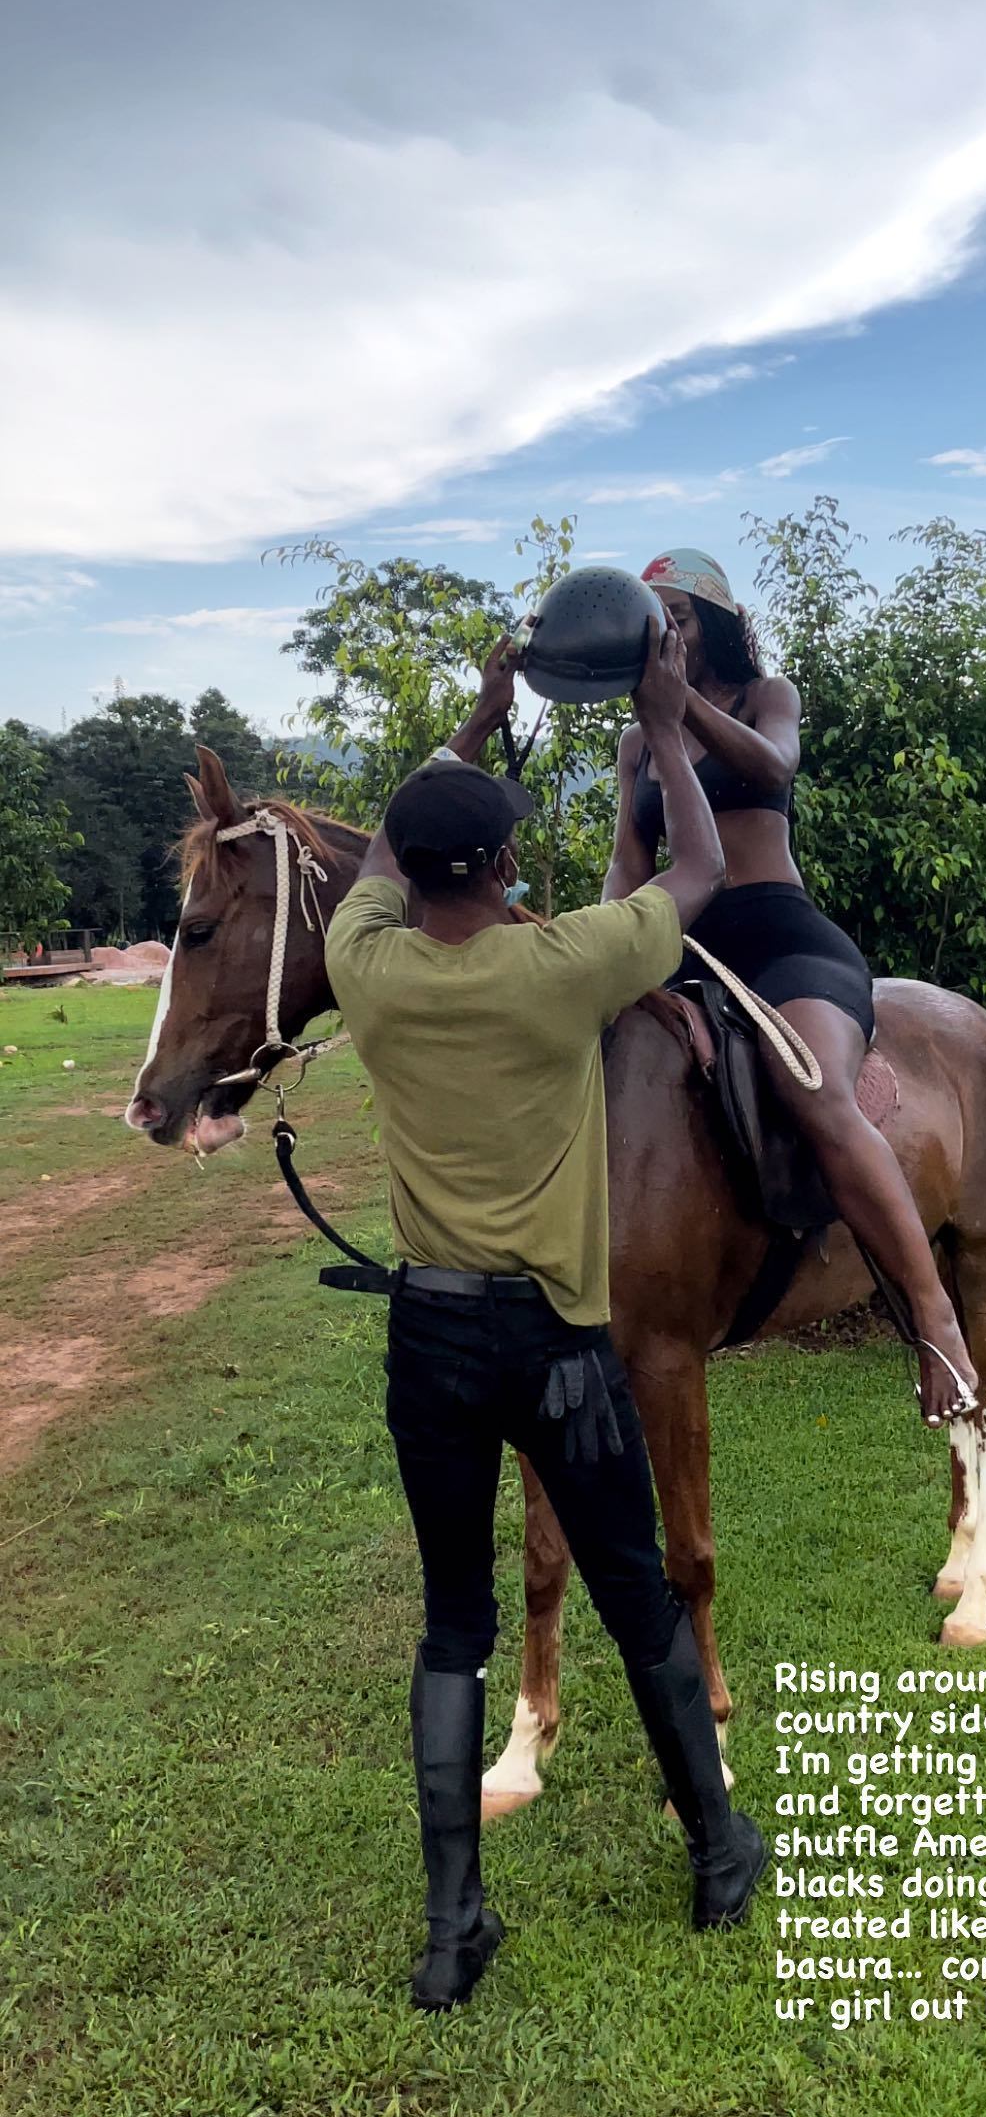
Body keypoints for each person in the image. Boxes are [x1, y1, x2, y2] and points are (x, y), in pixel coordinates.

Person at [324, 620, 764, 2014]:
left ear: (415, 872)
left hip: (429, 1344)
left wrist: (472, 720)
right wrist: (667, 722)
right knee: (637, 1593)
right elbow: (699, 873)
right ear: (506, 865)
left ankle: (452, 1928)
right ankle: (718, 1851)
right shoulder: (566, 963)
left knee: (453, 1621)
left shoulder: (367, 964)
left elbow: (381, 858)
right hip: (562, 1348)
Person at [604, 548, 979, 1428]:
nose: (666, 636)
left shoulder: (766, 698)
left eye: (678, 619)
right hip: (682, 945)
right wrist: (601, 949)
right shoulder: (635, 744)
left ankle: (933, 1318)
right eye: (653, 624)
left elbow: (775, 768)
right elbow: (630, 863)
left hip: (781, 937)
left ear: (714, 624)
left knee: (810, 1085)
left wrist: (678, 706)